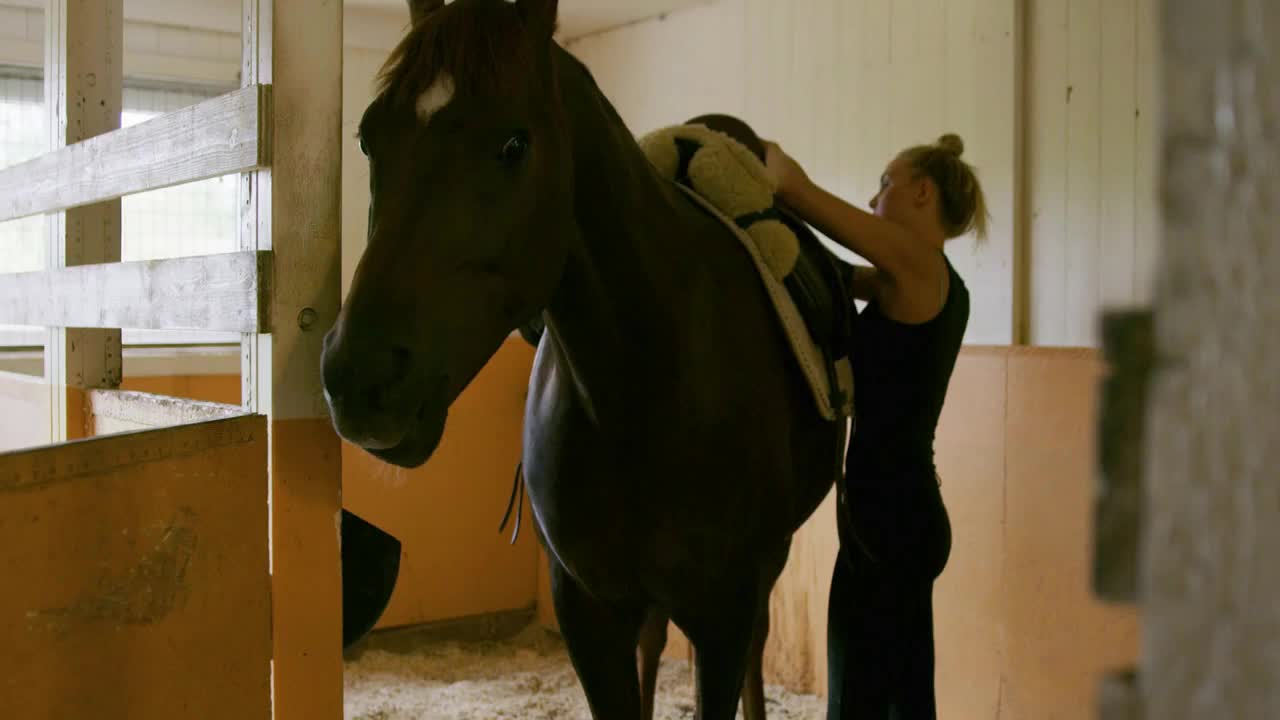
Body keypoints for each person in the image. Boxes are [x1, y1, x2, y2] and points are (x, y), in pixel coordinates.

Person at [762, 133, 989, 719]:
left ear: (921, 192)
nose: (871, 198)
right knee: (901, 702)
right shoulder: (917, 281)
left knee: (861, 703)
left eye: (884, 183)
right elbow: (830, 270)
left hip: (892, 526)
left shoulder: (916, 264)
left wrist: (759, 156)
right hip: (893, 521)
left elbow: (797, 191)